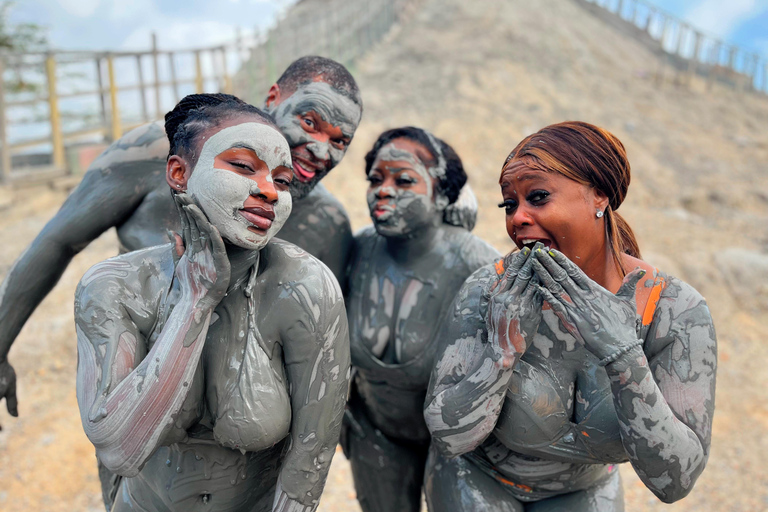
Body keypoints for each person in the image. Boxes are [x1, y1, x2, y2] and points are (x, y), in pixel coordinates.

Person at [0, 56, 362, 429]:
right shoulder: (156, 153)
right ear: (274, 97)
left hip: (246, 438)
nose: (321, 149)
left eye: (339, 141)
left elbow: (324, 349)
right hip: (134, 411)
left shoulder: (326, 224)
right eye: (309, 122)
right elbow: (59, 240)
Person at [75, 95, 349, 512]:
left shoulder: (305, 289)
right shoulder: (115, 287)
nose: (269, 192)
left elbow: (311, 457)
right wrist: (195, 300)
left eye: (283, 179)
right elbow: (117, 447)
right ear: (179, 172)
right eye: (243, 166)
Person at [423, 121, 717, 511]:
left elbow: (676, 481)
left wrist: (623, 355)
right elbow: (449, 437)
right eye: (510, 205)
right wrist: (500, 354)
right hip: (477, 479)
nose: (517, 219)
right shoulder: (488, 291)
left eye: (538, 197)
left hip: (587, 491)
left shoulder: (676, 312)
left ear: (600, 196)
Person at [342, 127, 499, 512]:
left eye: (404, 180)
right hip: (376, 436)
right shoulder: (357, 251)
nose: (384, 189)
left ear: (442, 195)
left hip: (456, 446)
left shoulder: (477, 266)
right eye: (376, 179)